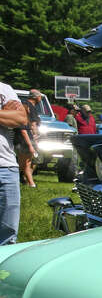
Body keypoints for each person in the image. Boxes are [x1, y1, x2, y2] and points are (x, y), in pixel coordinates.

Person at [0, 80, 27, 243]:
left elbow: (20, 118)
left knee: (8, 234)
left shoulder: (4, 89)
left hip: (6, 168)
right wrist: (4, 113)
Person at [16, 89, 40, 187]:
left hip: (26, 139)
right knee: (26, 163)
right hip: (25, 140)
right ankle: (30, 183)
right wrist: (33, 141)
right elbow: (26, 128)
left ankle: (25, 180)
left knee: (27, 162)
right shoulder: (27, 110)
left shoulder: (27, 106)